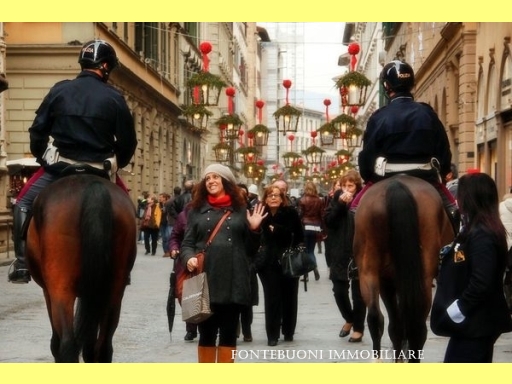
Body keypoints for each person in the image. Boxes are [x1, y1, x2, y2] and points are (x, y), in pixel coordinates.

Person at [8, 39, 137, 283]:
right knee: (127, 210)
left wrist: (42, 157)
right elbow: (129, 142)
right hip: (100, 169)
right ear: (106, 66)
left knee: (23, 203)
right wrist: (117, 162)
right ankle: (123, 268)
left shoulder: (59, 90)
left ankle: (22, 263)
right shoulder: (115, 98)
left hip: (60, 168)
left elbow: (37, 130)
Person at [351, 60, 457, 229]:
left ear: (387, 86)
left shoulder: (378, 117)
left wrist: (368, 176)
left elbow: (367, 155)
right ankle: (453, 253)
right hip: (425, 176)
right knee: (454, 211)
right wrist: (444, 171)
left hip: (384, 176)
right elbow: (443, 148)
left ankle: (354, 256)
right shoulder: (427, 113)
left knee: (354, 211)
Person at [180, 164, 266, 363]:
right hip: (205, 281)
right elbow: (187, 243)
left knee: (228, 335)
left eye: (215, 177)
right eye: (207, 178)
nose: (210, 181)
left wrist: (254, 230)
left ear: (226, 181)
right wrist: (188, 258)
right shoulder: (196, 211)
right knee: (207, 335)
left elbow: (251, 250)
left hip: (233, 281)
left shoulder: (240, 210)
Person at [432, 172, 512, 362]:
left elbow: (481, 282)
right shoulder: (474, 228)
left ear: (472, 198)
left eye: (460, 194)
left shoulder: (483, 234)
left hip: (476, 324)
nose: (456, 199)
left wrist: (458, 310)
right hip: (471, 326)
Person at [257, 184, 305, 347]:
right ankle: (272, 334)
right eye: (270, 195)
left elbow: (298, 235)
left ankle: (288, 330)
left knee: (289, 297)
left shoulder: (290, 213)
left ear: (282, 198)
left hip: (288, 261)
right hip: (268, 263)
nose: (273, 198)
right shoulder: (260, 214)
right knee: (272, 298)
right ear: (265, 199)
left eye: (276, 195)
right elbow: (254, 235)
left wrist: (276, 229)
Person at [324, 169, 366, 343]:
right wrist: (340, 204)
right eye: (344, 185)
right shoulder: (335, 200)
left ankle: (358, 328)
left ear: (357, 186)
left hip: (359, 251)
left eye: (351, 185)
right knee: (339, 291)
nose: (347, 189)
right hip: (339, 251)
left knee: (359, 294)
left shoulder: (364, 200)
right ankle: (350, 318)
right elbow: (329, 221)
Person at [168, 193, 199, 342]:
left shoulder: (216, 212)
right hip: (186, 259)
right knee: (185, 294)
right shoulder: (184, 214)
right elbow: (175, 236)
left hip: (207, 259)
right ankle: (191, 328)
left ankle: (209, 326)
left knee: (207, 294)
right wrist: (174, 248)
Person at [236, 183, 259, 343]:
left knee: (247, 302)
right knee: (230, 301)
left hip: (246, 263)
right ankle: (233, 328)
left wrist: (254, 229)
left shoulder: (250, 215)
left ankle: (247, 330)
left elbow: (254, 246)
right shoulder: (223, 214)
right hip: (229, 263)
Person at [297, 181, 323, 281]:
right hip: (316, 227)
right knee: (311, 250)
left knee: (306, 251)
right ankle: (313, 269)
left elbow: (300, 214)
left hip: (306, 226)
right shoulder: (319, 200)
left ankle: (310, 271)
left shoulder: (302, 200)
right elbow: (321, 215)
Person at [158, 192, 172, 257]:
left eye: (161, 197)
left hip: (169, 222)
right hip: (162, 222)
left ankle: (169, 251)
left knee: (168, 236)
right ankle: (165, 251)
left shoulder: (169, 203)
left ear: (165, 198)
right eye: (159, 197)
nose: (160, 198)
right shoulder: (158, 205)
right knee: (164, 238)